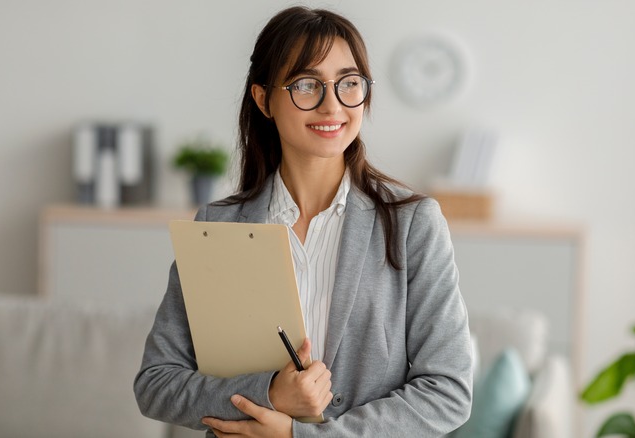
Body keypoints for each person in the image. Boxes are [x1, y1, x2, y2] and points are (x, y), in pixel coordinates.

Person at [134, 6, 472, 437]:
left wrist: (300, 436)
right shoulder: (218, 225)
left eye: (349, 83)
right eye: (307, 85)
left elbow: (448, 391)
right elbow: (156, 383)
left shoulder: (411, 223)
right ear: (263, 99)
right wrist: (270, 393)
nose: (333, 105)